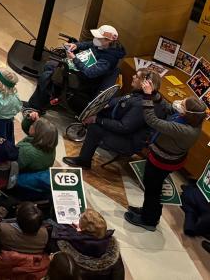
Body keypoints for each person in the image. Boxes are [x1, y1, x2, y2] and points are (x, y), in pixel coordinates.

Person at [125, 77, 205, 231]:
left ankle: (149, 220)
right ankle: (148, 211)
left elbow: (152, 120)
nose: (179, 103)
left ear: (188, 112)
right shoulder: (190, 119)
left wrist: (147, 97)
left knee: (153, 189)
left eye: (182, 104)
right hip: (165, 157)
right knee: (152, 188)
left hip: (163, 162)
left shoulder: (185, 130)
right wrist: (153, 92)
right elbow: (167, 107)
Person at [63, 68, 156, 169]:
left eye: (137, 77)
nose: (133, 77)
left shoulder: (140, 104)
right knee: (98, 114)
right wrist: (105, 104)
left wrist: (97, 120)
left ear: (145, 83)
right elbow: (122, 99)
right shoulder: (138, 94)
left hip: (128, 142)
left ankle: (84, 161)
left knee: (95, 128)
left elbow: (123, 127)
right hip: (124, 131)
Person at [27, 23, 124, 112]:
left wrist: (74, 59)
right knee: (49, 65)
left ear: (108, 41)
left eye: (99, 37)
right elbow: (90, 44)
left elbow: (90, 72)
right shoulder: (103, 44)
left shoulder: (108, 59)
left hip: (85, 81)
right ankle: (50, 95)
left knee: (47, 76)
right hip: (80, 70)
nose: (96, 38)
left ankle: (34, 106)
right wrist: (76, 45)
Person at [48, 209, 121, 278]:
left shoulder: (64, 244)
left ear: (82, 229)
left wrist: (74, 233)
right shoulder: (111, 250)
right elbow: (119, 275)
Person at [0, 202, 49, 279]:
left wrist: (3, 209)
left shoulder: (5, 230)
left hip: (7, 267)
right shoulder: (44, 234)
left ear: (17, 219)